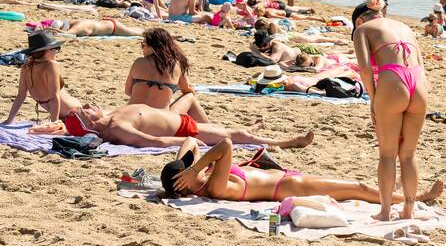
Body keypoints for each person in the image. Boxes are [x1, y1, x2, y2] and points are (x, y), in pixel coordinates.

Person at [160, 138, 444, 204]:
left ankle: (403, 195)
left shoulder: (201, 178)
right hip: (287, 188)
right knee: (356, 187)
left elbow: (190, 141)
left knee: (354, 187)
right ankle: (417, 197)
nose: (193, 168)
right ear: (186, 185)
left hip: (285, 176)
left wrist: (185, 166)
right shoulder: (215, 187)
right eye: (187, 172)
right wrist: (195, 167)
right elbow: (225, 145)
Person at [351, 0, 428, 221]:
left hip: (392, 80)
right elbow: (421, 66)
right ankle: (408, 210)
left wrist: (373, 99)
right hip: (419, 83)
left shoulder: (362, 30)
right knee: (409, 153)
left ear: (359, 20)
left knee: (387, 154)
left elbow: (365, 69)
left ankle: (385, 211)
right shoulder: (405, 26)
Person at [35, 102, 315, 149]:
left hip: (180, 120)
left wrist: (53, 126)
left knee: (230, 131)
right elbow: (154, 143)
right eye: (86, 110)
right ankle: (284, 142)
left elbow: (66, 126)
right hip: (180, 129)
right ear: (89, 122)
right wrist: (189, 143)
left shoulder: (109, 117)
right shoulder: (116, 128)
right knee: (233, 135)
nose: (90, 105)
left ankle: (249, 131)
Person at [125, 28, 208, 122]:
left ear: (153, 47)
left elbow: (128, 91)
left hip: (132, 115)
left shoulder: (138, 62)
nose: (142, 49)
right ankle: (207, 127)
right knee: (189, 97)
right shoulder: (176, 65)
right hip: (161, 119)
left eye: (143, 45)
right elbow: (187, 90)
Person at [4, 32, 82, 124]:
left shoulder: (26, 67)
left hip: (61, 113)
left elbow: (20, 96)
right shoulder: (51, 65)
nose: (57, 52)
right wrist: (54, 123)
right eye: (56, 48)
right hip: (74, 113)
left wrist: (9, 120)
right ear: (48, 50)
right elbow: (54, 97)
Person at [35, 18, 145, 37]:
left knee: (138, 34)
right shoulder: (72, 22)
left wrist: (48, 30)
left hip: (113, 28)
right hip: (109, 24)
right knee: (133, 30)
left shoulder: (78, 26)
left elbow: (67, 34)